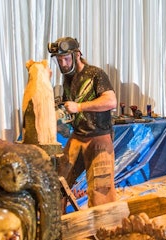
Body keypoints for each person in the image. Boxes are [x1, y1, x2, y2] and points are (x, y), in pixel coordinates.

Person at [48, 37, 117, 210]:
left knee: (101, 191)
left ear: (77, 54)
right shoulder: (67, 79)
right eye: (59, 60)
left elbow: (111, 101)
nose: (63, 63)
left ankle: (104, 231)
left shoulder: (95, 74)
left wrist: (79, 107)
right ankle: (58, 225)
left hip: (99, 138)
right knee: (59, 180)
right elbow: (68, 108)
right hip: (78, 136)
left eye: (66, 58)